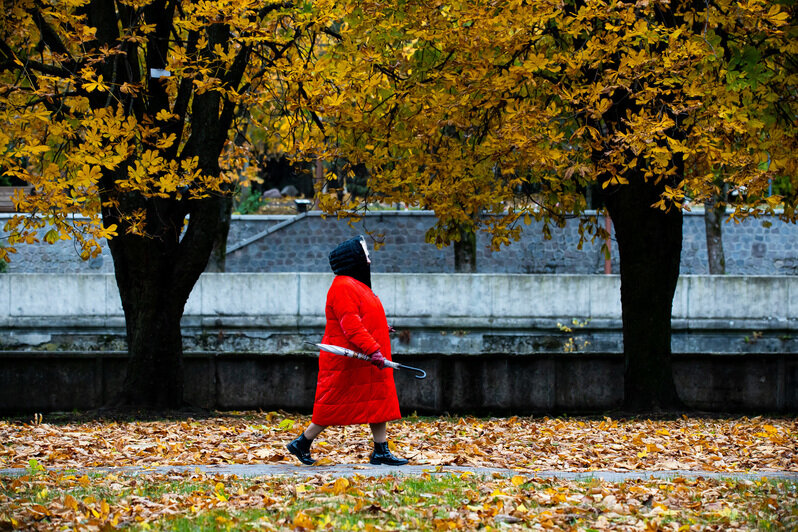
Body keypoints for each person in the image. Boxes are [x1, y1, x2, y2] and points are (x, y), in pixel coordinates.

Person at [287, 236, 408, 466]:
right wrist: (374, 350)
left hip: (368, 359)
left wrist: (382, 327)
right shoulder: (343, 286)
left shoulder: (356, 286)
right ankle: (302, 442)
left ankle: (381, 450)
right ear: (354, 260)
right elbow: (350, 326)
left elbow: (362, 317)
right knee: (334, 403)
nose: (370, 260)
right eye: (366, 255)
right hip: (351, 360)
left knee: (378, 402)